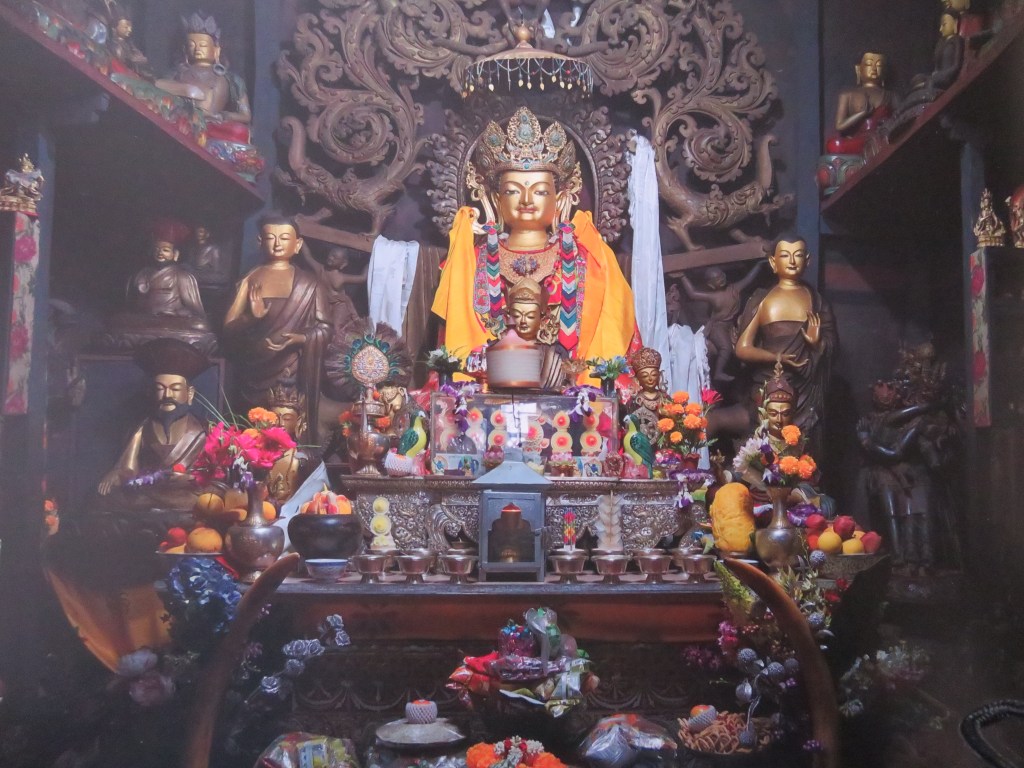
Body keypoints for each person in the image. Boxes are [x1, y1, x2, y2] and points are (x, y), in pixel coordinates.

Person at [431, 107, 637, 378]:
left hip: (571, 389)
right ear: (496, 200)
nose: (526, 200)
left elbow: (611, 349)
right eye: (512, 191)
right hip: (486, 389)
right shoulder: (470, 262)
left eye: (540, 191)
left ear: (560, 199)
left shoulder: (590, 261)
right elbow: (451, 354)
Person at [223, 213, 331, 445]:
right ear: (259, 242)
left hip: (292, 369)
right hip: (254, 369)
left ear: (298, 244)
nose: (277, 244)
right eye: (271, 238)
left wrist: (300, 338)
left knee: (289, 429)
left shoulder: (311, 284)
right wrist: (250, 318)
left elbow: (325, 328)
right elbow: (228, 329)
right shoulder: (250, 280)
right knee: (252, 432)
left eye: (284, 238)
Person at [734, 235, 837, 433]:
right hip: (768, 383)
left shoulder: (817, 302)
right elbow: (742, 348)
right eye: (784, 255)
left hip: (805, 387)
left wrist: (817, 343)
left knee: (803, 440)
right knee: (764, 437)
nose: (791, 261)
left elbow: (832, 346)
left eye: (797, 255)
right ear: (773, 262)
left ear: (807, 261)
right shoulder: (762, 299)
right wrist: (777, 357)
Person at [96, 338, 210, 499]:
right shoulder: (142, 429)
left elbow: (214, 478)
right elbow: (129, 469)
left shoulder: (203, 430)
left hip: (186, 495)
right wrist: (118, 474)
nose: (167, 395)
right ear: (151, 393)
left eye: (175, 389)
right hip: (148, 494)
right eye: (160, 388)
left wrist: (189, 479)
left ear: (190, 394)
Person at [155, 13, 252, 142]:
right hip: (187, 122)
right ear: (185, 50)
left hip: (215, 125)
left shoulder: (232, 79)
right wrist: (186, 90)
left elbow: (246, 116)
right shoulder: (178, 74)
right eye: (192, 45)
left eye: (203, 45)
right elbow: (157, 85)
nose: (197, 49)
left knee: (239, 131)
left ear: (216, 50)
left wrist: (224, 115)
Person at [679, 262, 765, 383]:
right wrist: (682, 276)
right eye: (717, 279)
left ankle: (744, 365)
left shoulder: (734, 289)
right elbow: (693, 293)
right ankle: (718, 372)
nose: (721, 279)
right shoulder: (713, 296)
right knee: (726, 347)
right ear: (711, 285)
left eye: (722, 276)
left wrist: (759, 265)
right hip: (717, 327)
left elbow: (748, 279)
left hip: (731, 325)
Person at [825, 52, 895, 155]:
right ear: (858, 69)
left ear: (884, 71)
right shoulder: (848, 95)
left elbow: (900, 119)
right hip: (860, 139)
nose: (874, 68)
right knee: (834, 144)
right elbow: (839, 126)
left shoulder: (891, 96)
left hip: (881, 137)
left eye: (879, 65)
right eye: (869, 64)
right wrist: (862, 114)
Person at [300, 244, 368, 333]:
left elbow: (362, 278)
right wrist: (301, 241)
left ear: (343, 264)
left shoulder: (341, 277)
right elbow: (308, 257)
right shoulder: (320, 269)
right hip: (323, 302)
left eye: (335, 257)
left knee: (337, 328)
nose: (331, 258)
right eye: (331, 255)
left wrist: (371, 260)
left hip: (338, 305)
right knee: (310, 321)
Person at [626, 346, 671, 443]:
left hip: (663, 443)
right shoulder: (635, 401)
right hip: (642, 443)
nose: (650, 379)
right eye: (645, 376)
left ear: (659, 376)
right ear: (637, 380)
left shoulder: (665, 398)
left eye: (654, 375)